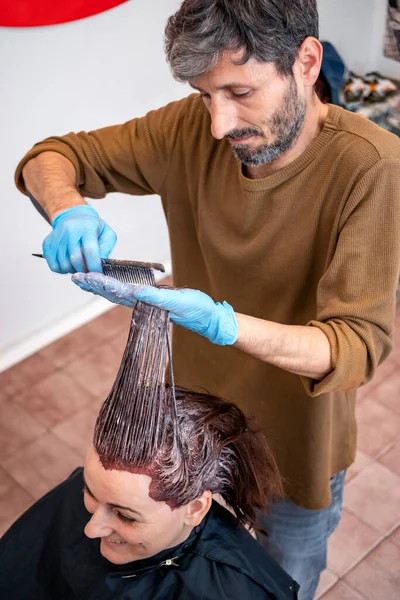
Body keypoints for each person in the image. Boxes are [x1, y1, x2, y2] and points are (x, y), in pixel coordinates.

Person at [14, 1, 400, 597]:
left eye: (240, 92)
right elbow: (53, 156)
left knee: (281, 575)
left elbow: (355, 345)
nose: (219, 124)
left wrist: (224, 324)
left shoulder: (371, 168)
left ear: (305, 61)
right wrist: (67, 208)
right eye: (204, 95)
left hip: (295, 437)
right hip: (192, 425)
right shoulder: (191, 130)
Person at [0, 386, 298, 600]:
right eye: (88, 491)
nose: (91, 529)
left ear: (194, 509)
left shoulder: (235, 589)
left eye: (125, 516)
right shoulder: (79, 503)